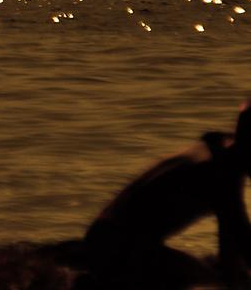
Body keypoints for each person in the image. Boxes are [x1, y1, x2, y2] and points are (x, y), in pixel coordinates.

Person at [78, 104, 251, 289]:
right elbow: (241, 239)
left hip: (105, 236)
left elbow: (231, 243)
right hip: (118, 246)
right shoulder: (221, 175)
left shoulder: (217, 149)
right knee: (205, 280)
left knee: (218, 273)